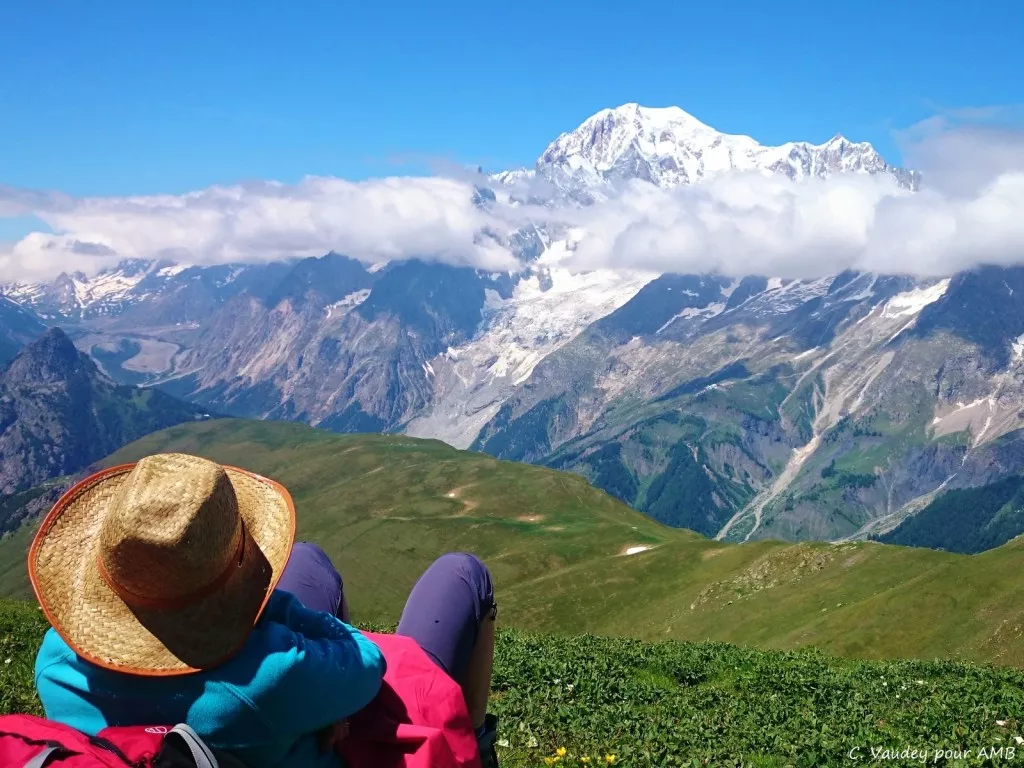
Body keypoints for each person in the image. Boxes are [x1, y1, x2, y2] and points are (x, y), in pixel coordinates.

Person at [29, 452, 499, 768]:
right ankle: (475, 744)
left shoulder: (55, 663)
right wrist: (260, 599)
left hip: (249, 730)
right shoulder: (267, 676)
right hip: (292, 711)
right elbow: (366, 662)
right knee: (463, 574)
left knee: (309, 560)